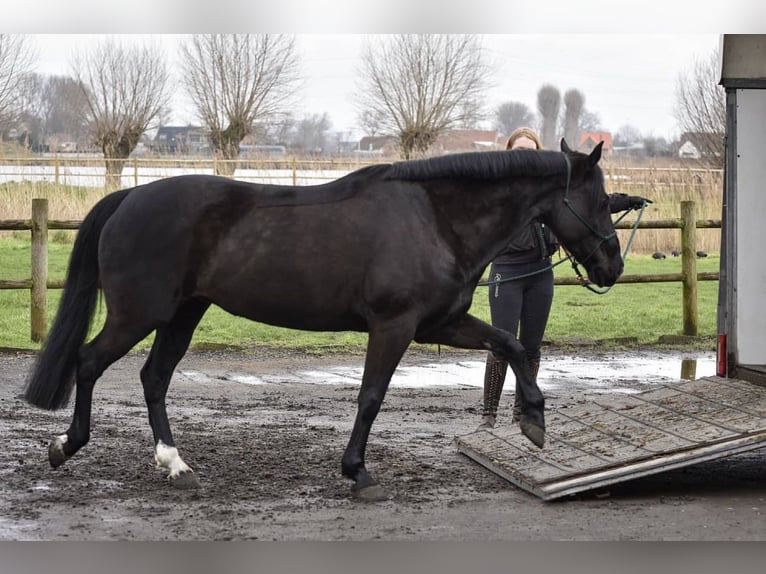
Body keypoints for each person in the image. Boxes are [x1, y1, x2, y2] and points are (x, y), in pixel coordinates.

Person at [479, 127, 650, 429]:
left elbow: (586, 204)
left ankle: (522, 413)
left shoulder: (552, 189)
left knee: (531, 348)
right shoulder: (496, 188)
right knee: (502, 345)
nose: (524, 157)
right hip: (506, 272)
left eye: (530, 151)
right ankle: (489, 416)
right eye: (518, 151)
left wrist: (625, 201)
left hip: (540, 273)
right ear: (508, 154)